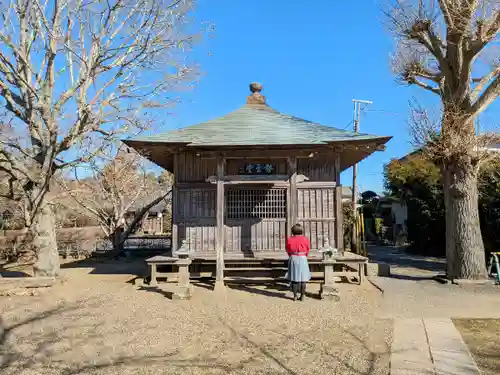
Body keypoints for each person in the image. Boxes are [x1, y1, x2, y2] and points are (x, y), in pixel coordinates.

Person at [285, 223, 311, 301]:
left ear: (293, 231)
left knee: (294, 277)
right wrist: (304, 255)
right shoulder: (305, 239)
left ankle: (295, 296)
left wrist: (291, 255)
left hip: (293, 257)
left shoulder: (290, 239)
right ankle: (302, 296)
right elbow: (308, 249)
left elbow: (288, 249)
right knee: (303, 278)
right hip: (303, 257)